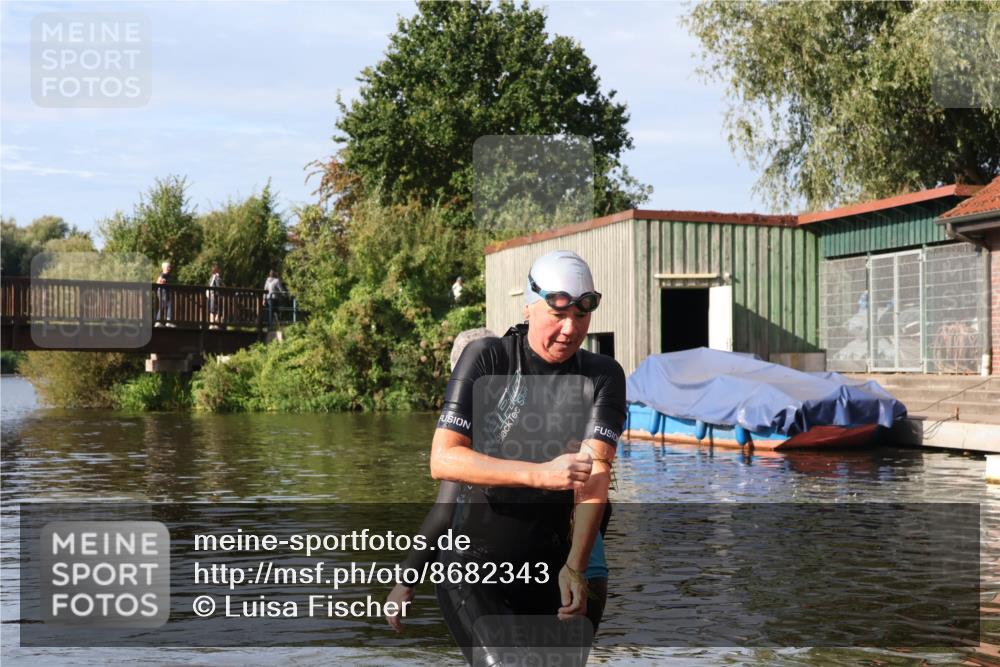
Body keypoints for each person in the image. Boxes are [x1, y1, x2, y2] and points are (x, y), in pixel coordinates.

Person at [426, 250, 626, 664]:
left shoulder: (603, 375)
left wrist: (575, 566)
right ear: (530, 306)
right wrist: (541, 475)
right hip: (472, 568)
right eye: (559, 314)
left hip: (549, 568)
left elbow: (596, 475)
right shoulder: (488, 358)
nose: (570, 329)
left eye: (581, 316)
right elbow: (444, 459)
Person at [386, 327, 614, 636]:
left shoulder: (488, 435)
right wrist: (581, 562)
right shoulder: (553, 414)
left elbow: (444, 512)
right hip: (587, 574)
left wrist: (405, 582)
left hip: (535, 574)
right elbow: (602, 504)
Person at [154, 261, 174, 327]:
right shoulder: (164, 274)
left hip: (162, 292)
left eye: (169, 267)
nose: (169, 268)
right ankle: (168, 321)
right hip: (163, 292)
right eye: (168, 267)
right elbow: (158, 282)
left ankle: (158, 321)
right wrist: (161, 281)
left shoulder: (166, 275)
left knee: (163, 306)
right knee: (169, 304)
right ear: (164, 268)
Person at [207, 264, 222, 329]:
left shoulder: (211, 277)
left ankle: (211, 324)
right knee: (215, 310)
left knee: (211, 310)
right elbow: (218, 287)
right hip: (214, 295)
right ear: (217, 270)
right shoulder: (216, 277)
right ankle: (214, 324)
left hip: (210, 295)